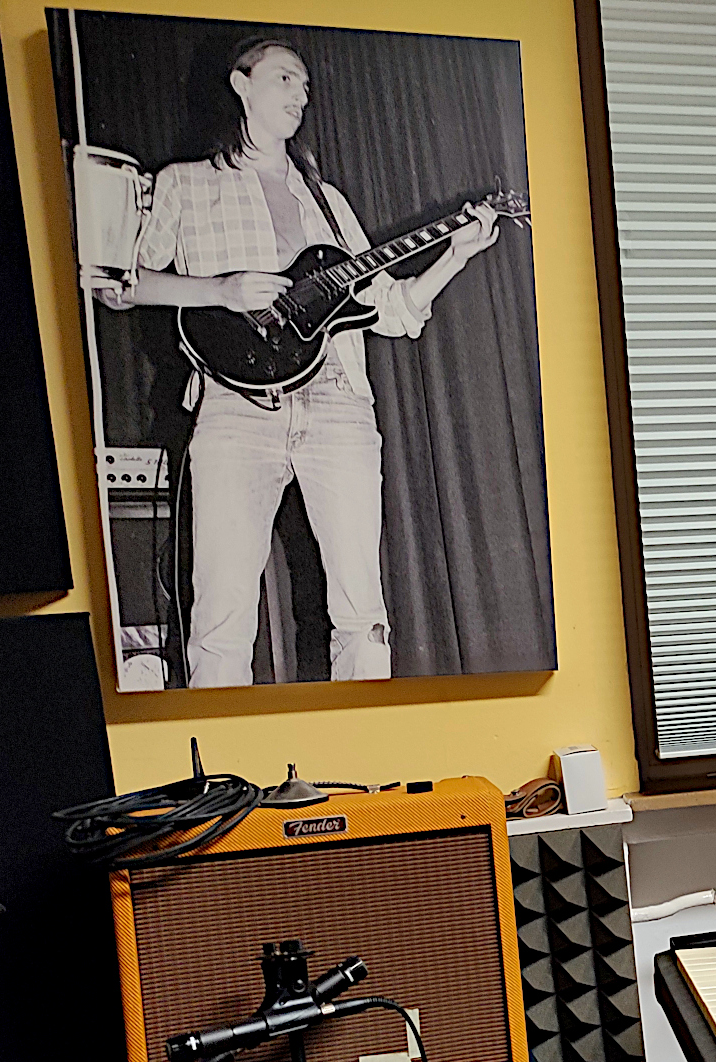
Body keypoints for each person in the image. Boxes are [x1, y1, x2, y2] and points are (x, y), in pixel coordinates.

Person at [90, 36, 500, 686]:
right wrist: (219, 291)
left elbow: (393, 310)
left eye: (305, 86)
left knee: (363, 615)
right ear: (241, 84)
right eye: (285, 78)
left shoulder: (327, 202)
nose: (300, 94)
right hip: (235, 409)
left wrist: (456, 255)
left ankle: (363, 745)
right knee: (221, 620)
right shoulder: (185, 185)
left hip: (339, 406)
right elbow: (119, 284)